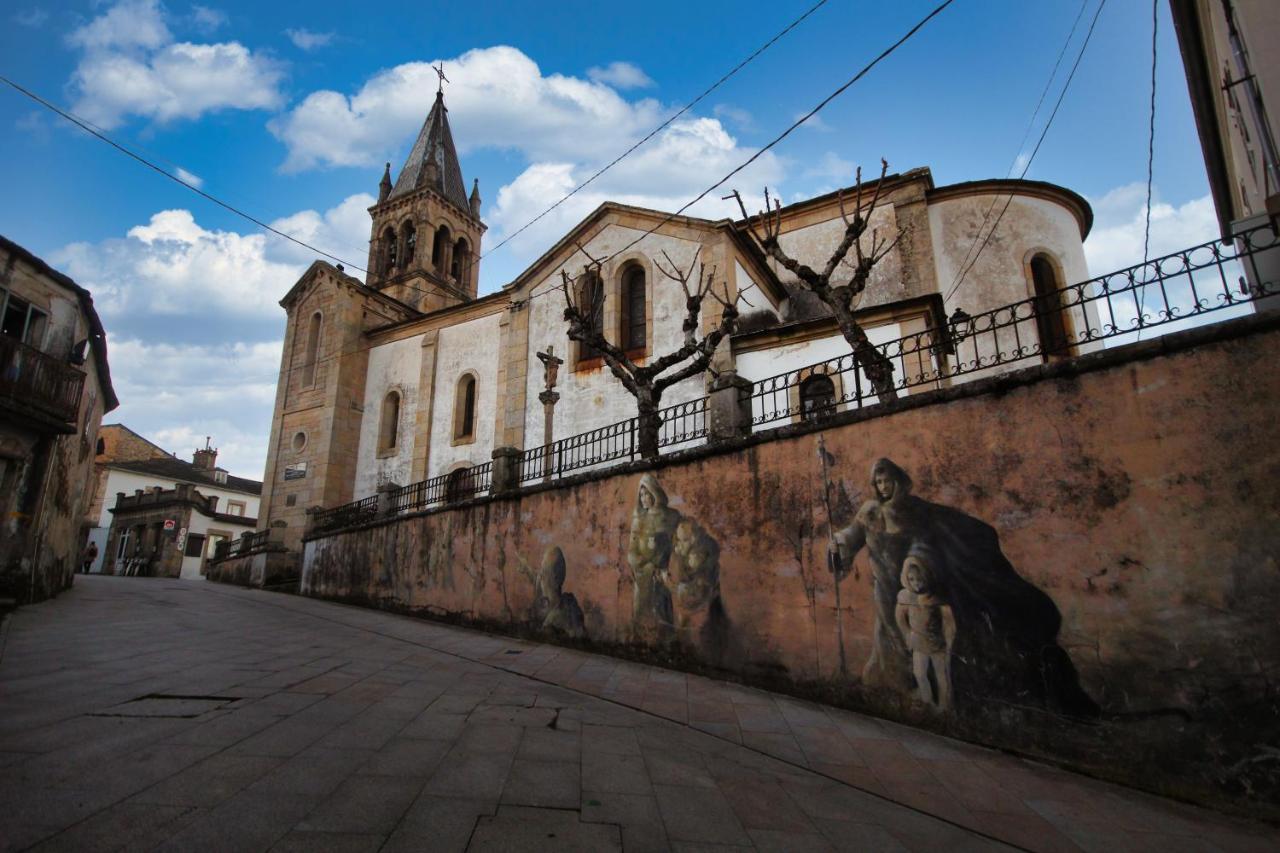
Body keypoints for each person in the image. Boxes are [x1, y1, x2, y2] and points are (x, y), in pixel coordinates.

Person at [829, 457, 1098, 717]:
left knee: (927, 642)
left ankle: (932, 698)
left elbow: (928, 540)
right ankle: (894, 689)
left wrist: (917, 566)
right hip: (886, 593)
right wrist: (839, 544)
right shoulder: (868, 512)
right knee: (890, 639)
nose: (883, 487)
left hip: (916, 588)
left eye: (887, 481)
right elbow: (853, 535)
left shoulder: (915, 510)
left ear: (898, 481)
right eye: (878, 482)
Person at [895, 544, 956, 710]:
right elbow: (900, 617)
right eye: (912, 579)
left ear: (927, 576)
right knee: (920, 673)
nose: (916, 584)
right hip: (918, 642)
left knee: (941, 675)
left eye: (919, 579)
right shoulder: (905, 596)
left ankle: (944, 707)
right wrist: (908, 633)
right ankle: (927, 701)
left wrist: (949, 642)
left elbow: (948, 621)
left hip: (937, 643)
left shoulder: (937, 597)